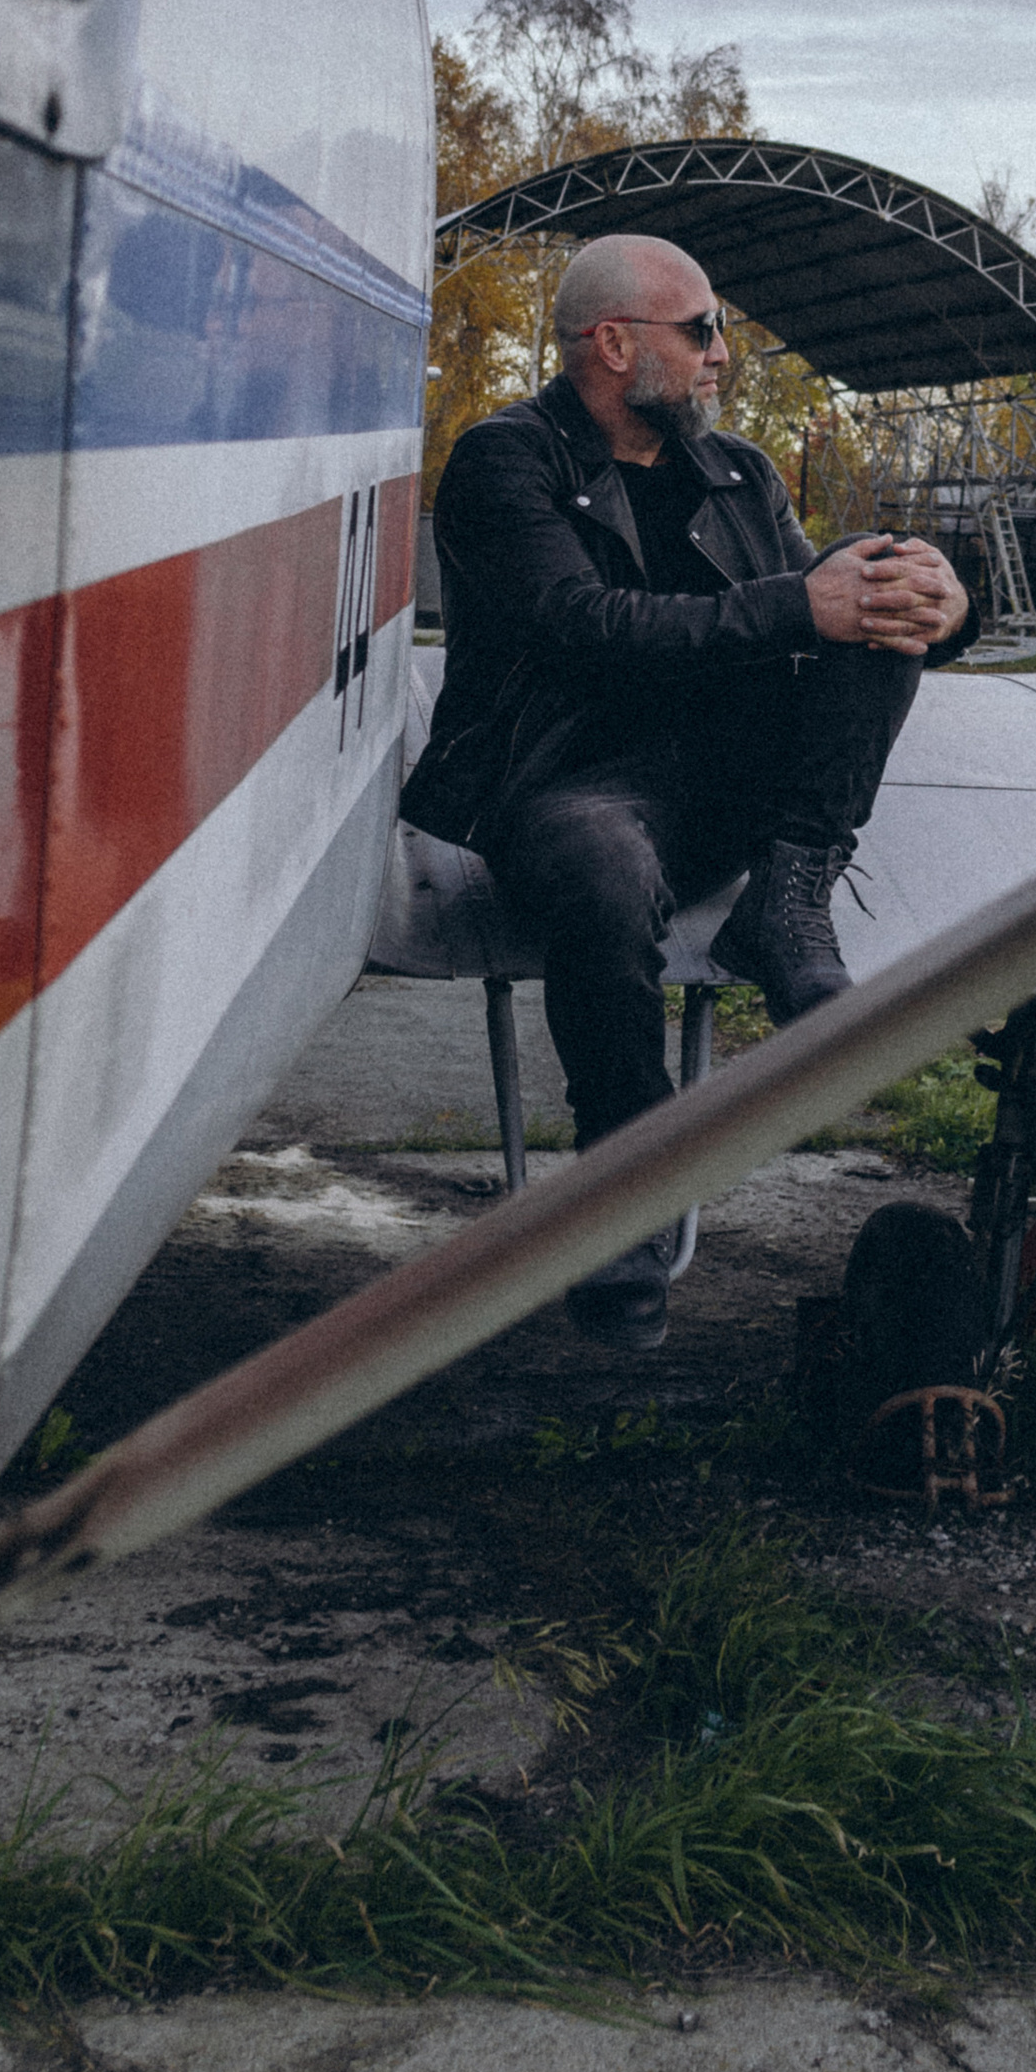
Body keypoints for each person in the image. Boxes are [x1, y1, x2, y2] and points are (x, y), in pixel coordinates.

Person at [401, 232, 974, 1350]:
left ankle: (792, 894)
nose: (724, 355)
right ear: (612, 344)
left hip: (728, 787)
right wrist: (798, 607)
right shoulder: (503, 463)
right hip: (566, 784)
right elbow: (580, 627)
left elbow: (826, 620)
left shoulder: (739, 471)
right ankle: (623, 1195)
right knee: (608, 871)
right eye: (703, 329)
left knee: (879, 559)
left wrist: (945, 611)